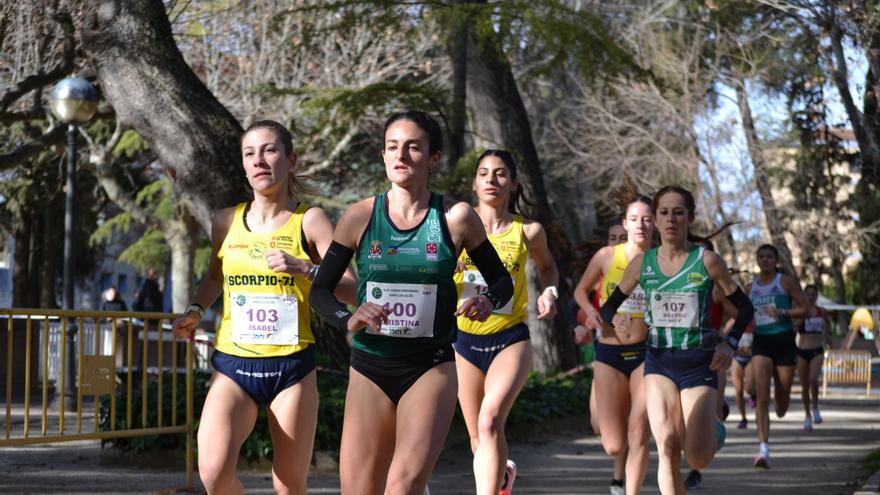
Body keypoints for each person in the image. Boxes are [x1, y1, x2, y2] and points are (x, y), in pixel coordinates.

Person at [309, 110, 513, 494]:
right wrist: (348, 318)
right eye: (392, 147)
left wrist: (487, 300)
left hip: (429, 366)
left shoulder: (456, 218)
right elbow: (320, 290)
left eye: (413, 147)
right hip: (370, 365)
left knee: (401, 487)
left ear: (433, 158)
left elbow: (502, 281)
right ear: (383, 156)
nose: (400, 155)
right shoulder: (360, 216)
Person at [171, 120, 355, 494]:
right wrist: (195, 310)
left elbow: (351, 288)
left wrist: (306, 267)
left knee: (288, 485)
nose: (259, 160)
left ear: (291, 160)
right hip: (233, 365)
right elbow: (213, 278)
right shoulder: (225, 220)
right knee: (213, 471)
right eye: (250, 153)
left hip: (291, 368)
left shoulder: (311, 220)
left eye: (270, 150)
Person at [589, 185, 754, 495]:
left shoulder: (707, 262)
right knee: (665, 445)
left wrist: (729, 342)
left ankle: (713, 427)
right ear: (656, 217)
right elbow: (609, 305)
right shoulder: (643, 264)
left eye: (678, 212)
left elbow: (745, 308)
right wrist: (615, 318)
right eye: (663, 212)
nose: (670, 219)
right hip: (659, 362)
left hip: (698, 363)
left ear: (689, 218)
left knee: (697, 457)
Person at [453, 150, 559, 495]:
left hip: (509, 339)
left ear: (513, 184)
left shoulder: (527, 231)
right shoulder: (453, 230)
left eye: (500, 174)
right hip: (464, 343)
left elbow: (547, 269)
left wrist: (550, 293)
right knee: (476, 438)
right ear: (474, 183)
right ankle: (500, 481)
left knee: (490, 421)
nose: (491, 180)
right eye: (483, 173)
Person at [574, 195, 654, 495]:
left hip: (647, 353)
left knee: (638, 429)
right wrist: (595, 314)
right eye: (634, 219)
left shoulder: (661, 260)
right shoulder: (608, 256)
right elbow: (581, 290)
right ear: (625, 223)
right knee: (613, 443)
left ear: (654, 223)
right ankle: (618, 471)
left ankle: (629, 490)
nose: (641, 225)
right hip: (608, 352)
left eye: (647, 219)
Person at [746, 244, 808, 469]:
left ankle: (782, 404)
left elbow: (806, 308)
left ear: (775, 259)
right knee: (762, 397)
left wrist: (783, 312)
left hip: (784, 342)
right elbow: (740, 311)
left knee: (781, 404)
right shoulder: (750, 286)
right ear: (756, 260)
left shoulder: (785, 282)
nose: (765, 260)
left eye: (769, 257)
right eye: (761, 257)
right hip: (761, 342)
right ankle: (763, 449)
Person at [797, 284, 831, 432]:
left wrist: (828, 339)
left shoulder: (822, 312)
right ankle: (807, 415)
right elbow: (792, 326)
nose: (810, 297)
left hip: (817, 350)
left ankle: (815, 406)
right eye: (808, 294)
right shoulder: (800, 312)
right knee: (804, 386)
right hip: (802, 350)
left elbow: (828, 328)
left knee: (813, 379)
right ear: (804, 295)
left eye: (813, 294)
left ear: (816, 296)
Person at [731, 323, 755, 430]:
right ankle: (743, 419)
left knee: (748, 388)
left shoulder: (754, 321)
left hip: (750, 358)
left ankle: (753, 394)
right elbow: (723, 335)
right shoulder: (733, 321)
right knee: (738, 390)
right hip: (737, 358)